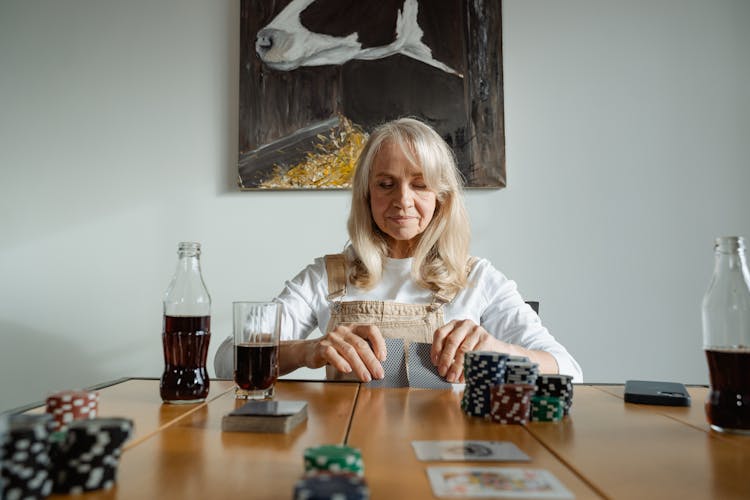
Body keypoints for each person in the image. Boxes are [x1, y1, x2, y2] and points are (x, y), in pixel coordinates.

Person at [271, 117, 582, 384]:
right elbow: (228, 356)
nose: (402, 200)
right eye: (385, 184)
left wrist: (501, 350)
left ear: (441, 196)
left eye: (419, 185)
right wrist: (306, 351)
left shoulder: (477, 279)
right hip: (349, 447)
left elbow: (569, 370)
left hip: (444, 450)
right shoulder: (324, 277)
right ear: (366, 194)